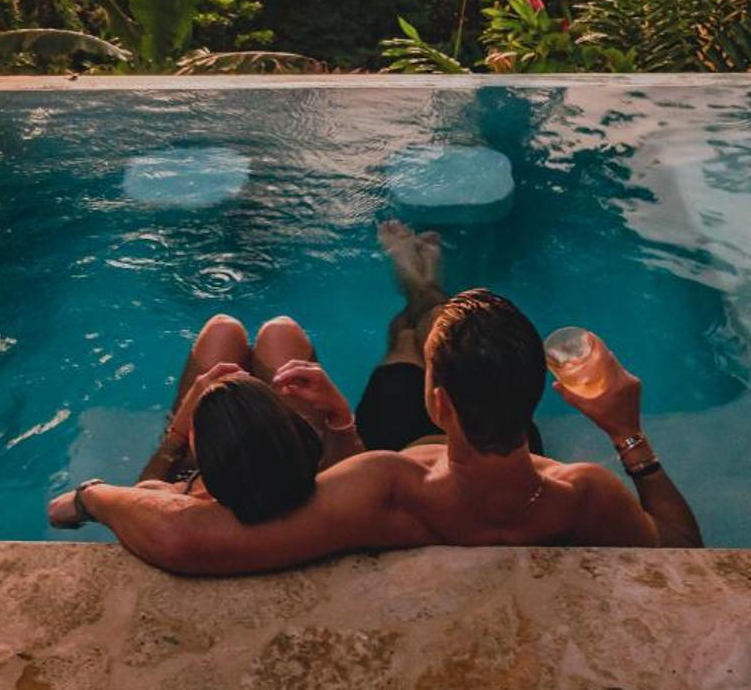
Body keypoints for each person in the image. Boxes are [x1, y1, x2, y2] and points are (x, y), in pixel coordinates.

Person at [48, 229, 703, 573]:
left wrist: (93, 495)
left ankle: (420, 295)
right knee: (433, 324)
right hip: (509, 445)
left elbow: (182, 536)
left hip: (396, 444)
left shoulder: (384, 487)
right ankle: (426, 293)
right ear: (536, 396)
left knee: (402, 339)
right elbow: (679, 551)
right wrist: (628, 433)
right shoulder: (582, 494)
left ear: (438, 403)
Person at [62, 312, 362, 528]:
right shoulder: (324, 494)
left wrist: (177, 433)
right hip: (294, 459)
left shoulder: (179, 499)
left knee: (222, 329)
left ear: (196, 441)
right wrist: (339, 413)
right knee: (281, 331)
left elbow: (62, 511)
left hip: (198, 468)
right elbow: (355, 475)